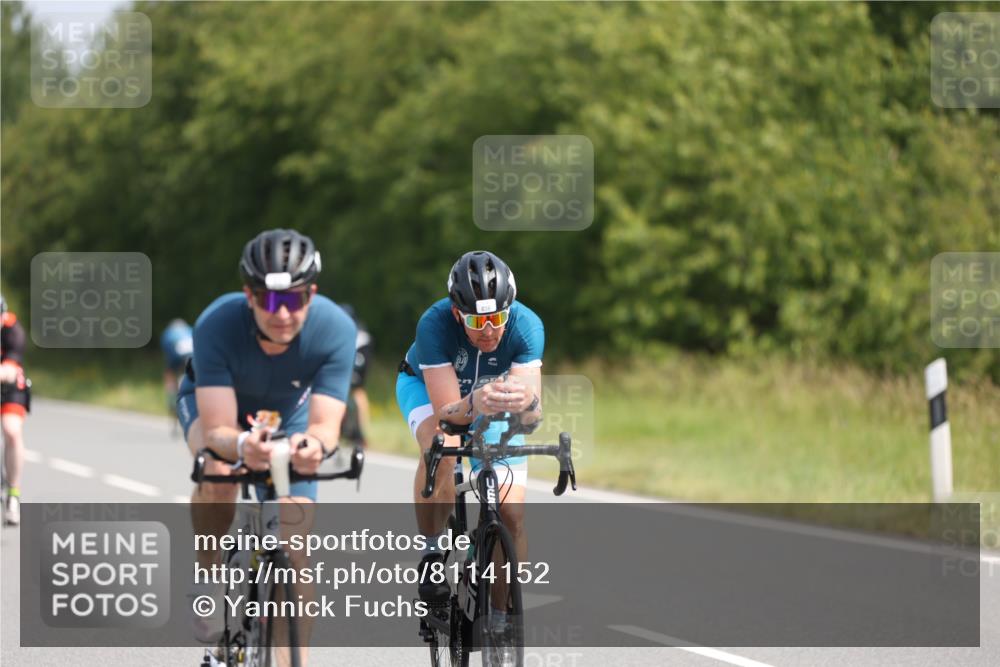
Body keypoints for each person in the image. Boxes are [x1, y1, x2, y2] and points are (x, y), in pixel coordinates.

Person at [176, 229, 356, 665]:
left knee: (294, 549)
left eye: (293, 300)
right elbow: (218, 427)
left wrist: (312, 446)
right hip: (219, 408)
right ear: (249, 295)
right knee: (218, 473)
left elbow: (325, 426)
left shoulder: (335, 329)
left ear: (311, 295)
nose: (281, 314)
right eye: (269, 300)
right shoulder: (216, 324)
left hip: (290, 416)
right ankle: (210, 576)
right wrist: (239, 445)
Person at [396, 250, 544, 607]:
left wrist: (527, 404)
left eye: (497, 318)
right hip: (428, 389)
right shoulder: (433, 325)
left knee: (511, 513)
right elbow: (449, 414)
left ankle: (501, 615)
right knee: (441, 447)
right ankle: (431, 556)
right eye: (477, 322)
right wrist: (475, 402)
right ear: (457, 313)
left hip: (491, 399)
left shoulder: (527, 326)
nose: (489, 330)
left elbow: (531, 420)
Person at [0, 294, 30, 526]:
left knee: (11, 430)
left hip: (9, 385)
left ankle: (14, 494)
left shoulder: (13, 331)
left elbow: (8, 371)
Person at [337, 304, 373, 450]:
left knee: (358, 393)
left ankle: (360, 433)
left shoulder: (361, 337)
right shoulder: (358, 333)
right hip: (350, 366)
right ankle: (343, 431)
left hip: (355, 366)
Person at [159, 317, 193, 431]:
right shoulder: (190, 330)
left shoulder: (168, 334)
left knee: (169, 374)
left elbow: (168, 357)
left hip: (176, 357)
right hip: (193, 356)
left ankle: (172, 398)